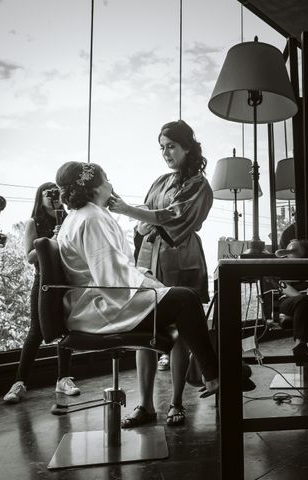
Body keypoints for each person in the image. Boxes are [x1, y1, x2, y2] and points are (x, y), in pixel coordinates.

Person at [55, 161, 218, 429]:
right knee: (187, 299)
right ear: (95, 187)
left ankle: (210, 374)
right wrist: (150, 285)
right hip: (102, 307)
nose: (110, 183)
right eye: (106, 178)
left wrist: (144, 277)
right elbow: (112, 281)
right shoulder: (92, 218)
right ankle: (213, 374)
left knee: (180, 299)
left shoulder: (81, 216)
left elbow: (113, 270)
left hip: (94, 302)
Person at [107, 120, 212, 427]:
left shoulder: (199, 184)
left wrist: (130, 212)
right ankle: (146, 405)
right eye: (162, 147)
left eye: (172, 146)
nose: (166, 153)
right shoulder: (160, 181)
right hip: (150, 257)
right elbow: (150, 216)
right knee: (146, 330)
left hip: (182, 257)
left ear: (187, 147)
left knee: (181, 331)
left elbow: (173, 218)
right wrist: (142, 220)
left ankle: (176, 403)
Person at [3, 182, 80, 403]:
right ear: (40, 196)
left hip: (66, 279)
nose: (54, 197)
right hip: (43, 280)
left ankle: (63, 379)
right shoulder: (32, 222)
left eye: (58, 193)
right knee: (36, 330)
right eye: (49, 193)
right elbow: (29, 257)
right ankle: (19, 383)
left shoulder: (68, 220)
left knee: (66, 327)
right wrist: (51, 241)